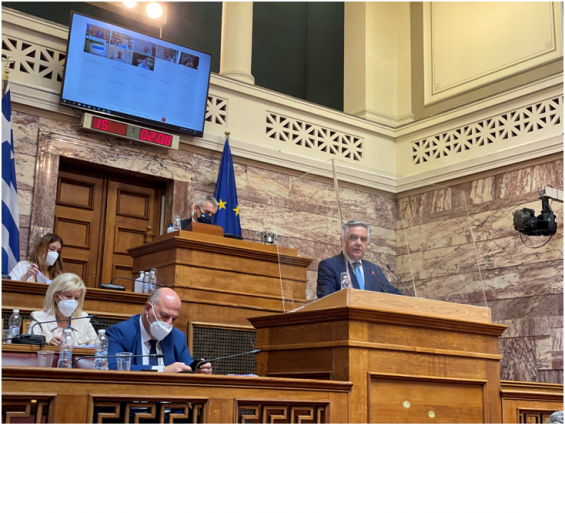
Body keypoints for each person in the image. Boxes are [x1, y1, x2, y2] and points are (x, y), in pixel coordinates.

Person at [106, 287, 212, 373]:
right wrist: (163, 370)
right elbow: (112, 368)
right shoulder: (120, 333)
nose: (169, 323)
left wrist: (198, 370)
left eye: (174, 319)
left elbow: (187, 367)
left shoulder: (178, 337)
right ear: (148, 308)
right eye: (165, 316)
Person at [316, 220, 403, 299]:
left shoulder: (375, 270)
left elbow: (395, 295)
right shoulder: (329, 266)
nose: (358, 243)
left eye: (363, 239)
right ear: (343, 241)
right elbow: (326, 299)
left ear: (367, 243)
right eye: (353, 238)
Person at [28, 273, 97, 346]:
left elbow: (97, 346)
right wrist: (48, 345)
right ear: (55, 296)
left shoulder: (83, 319)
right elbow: (32, 346)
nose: (73, 301)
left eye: (76, 298)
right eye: (68, 296)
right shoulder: (39, 319)